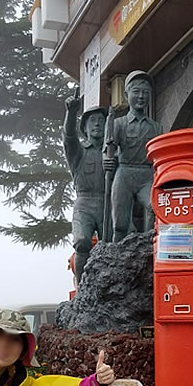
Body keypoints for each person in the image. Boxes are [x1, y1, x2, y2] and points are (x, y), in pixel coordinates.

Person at [103, 70, 162, 243]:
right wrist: (106, 161)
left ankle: (148, 246)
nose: (141, 96)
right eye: (136, 92)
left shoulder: (156, 128)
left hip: (146, 175)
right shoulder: (118, 124)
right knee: (119, 224)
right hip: (125, 173)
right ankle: (116, 255)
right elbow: (108, 152)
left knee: (154, 206)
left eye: (145, 92)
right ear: (127, 95)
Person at [63, 96, 107, 283]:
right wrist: (71, 112)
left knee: (111, 246)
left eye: (101, 121)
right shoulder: (78, 151)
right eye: (92, 121)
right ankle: (82, 289)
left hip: (108, 202)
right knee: (81, 243)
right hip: (84, 203)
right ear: (85, 127)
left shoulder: (112, 151)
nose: (97, 124)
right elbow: (69, 136)